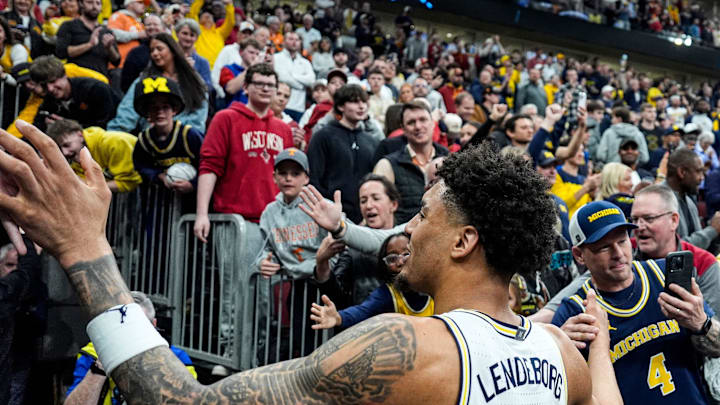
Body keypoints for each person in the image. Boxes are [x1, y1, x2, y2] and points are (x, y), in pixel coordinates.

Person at [0, 126, 623, 404]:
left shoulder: (406, 348)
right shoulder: (561, 359)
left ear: (463, 242)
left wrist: (86, 249)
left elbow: (179, 401)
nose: (406, 227)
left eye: (423, 215)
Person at [551, 200, 720, 403]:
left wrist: (701, 323)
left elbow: (717, 347)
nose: (618, 254)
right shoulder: (575, 312)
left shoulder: (663, 276)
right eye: (604, 247)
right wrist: (560, 352)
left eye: (622, 241)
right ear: (579, 255)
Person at [64, 291, 196, 405]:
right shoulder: (93, 353)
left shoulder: (176, 358)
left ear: (153, 324)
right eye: (124, 327)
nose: (130, 335)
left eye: (138, 326)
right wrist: (100, 368)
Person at [311, 233, 434, 330]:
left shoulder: (436, 286)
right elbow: (363, 311)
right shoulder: (387, 294)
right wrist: (339, 317)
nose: (400, 262)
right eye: (392, 258)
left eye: (406, 254)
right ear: (385, 266)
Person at [313, 173, 401, 309]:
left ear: (393, 204)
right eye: (363, 200)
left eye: (376, 198)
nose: (369, 205)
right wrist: (321, 262)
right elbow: (335, 298)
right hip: (364, 324)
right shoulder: (350, 247)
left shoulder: (408, 240)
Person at [307, 84, 379, 224]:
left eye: (364, 102)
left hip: (365, 217)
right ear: (340, 106)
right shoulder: (323, 136)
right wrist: (327, 209)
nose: (361, 106)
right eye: (354, 101)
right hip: (331, 215)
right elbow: (314, 179)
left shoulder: (371, 141)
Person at [109, 33, 208, 133]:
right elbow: (127, 113)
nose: (155, 53)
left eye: (159, 49)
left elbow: (198, 119)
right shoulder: (145, 80)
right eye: (152, 50)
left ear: (173, 51)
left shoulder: (193, 80)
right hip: (151, 137)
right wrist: (115, 135)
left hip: (186, 139)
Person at [373, 101, 449, 223]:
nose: (418, 126)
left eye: (423, 120)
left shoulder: (448, 159)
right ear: (403, 128)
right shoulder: (387, 165)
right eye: (411, 122)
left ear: (432, 123)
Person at [131, 75, 204, 193]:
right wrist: (158, 176)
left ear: (174, 110)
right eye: (154, 108)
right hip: (163, 197)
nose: (160, 113)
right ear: (147, 113)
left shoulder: (189, 135)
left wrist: (192, 184)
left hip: (194, 196)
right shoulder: (144, 140)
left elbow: (208, 165)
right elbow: (141, 166)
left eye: (165, 107)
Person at [46, 119, 142, 193]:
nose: (65, 152)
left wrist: (90, 186)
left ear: (79, 134)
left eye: (67, 145)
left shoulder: (114, 142)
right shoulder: (77, 160)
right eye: (61, 149)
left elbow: (129, 182)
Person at [28, 55, 120, 132]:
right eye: (44, 85)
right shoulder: (49, 100)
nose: (50, 89)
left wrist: (68, 126)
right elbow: (36, 127)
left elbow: (106, 125)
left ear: (64, 75)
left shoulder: (95, 90)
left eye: (53, 82)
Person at [665, 148, 720, 250]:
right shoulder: (659, 200)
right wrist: (712, 230)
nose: (702, 178)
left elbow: (701, 252)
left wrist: (716, 235)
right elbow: (674, 250)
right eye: (698, 171)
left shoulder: (689, 201)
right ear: (682, 172)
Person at [55, 0, 120, 76]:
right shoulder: (68, 26)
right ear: (81, 4)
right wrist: (89, 45)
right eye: (90, 2)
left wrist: (109, 48)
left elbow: (116, 61)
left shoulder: (106, 31)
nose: (94, 6)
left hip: (100, 80)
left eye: (98, 3)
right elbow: (61, 53)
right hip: (76, 78)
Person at [273, 31, 315, 122]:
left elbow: (311, 80)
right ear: (284, 41)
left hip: (299, 107)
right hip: (280, 105)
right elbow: (281, 77)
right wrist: (300, 85)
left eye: (297, 40)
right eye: (291, 39)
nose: (294, 42)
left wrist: (293, 75)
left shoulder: (305, 62)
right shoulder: (276, 58)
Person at [119, 14, 166, 93]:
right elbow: (126, 82)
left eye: (155, 24)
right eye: (148, 25)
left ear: (163, 28)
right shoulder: (135, 53)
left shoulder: (171, 49)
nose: (152, 27)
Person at [187, 0, 234, 68]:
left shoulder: (220, 33)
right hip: (199, 67)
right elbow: (192, 13)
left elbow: (230, 23)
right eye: (204, 15)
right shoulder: (197, 30)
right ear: (199, 20)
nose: (207, 16)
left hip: (217, 69)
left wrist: (229, 5)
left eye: (210, 15)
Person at [217, 37, 261, 107]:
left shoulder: (260, 74)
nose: (254, 57)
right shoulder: (228, 69)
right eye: (251, 52)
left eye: (257, 54)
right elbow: (230, 89)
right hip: (232, 111)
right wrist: (250, 69)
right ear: (241, 52)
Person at [174, 18, 212, 90]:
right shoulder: (168, 55)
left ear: (196, 38)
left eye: (192, 35)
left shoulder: (202, 62)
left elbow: (208, 87)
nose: (188, 38)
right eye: (185, 33)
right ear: (177, 33)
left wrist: (192, 71)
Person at [106, 0, 146, 68]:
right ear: (130, 4)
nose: (143, 5)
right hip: (120, 65)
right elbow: (113, 33)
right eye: (140, 2)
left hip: (136, 66)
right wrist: (137, 35)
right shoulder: (119, 15)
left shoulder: (140, 23)